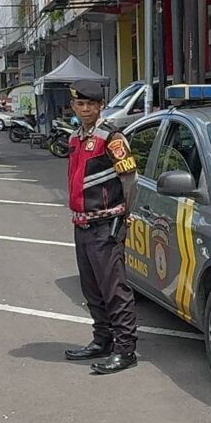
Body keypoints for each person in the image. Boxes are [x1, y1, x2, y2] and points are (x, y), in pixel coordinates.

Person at [63, 79, 140, 375]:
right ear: (73, 106)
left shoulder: (112, 138)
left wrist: (125, 214)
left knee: (114, 289)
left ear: (100, 106)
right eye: (80, 104)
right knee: (91, 288)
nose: (85, 109)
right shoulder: (75, 138)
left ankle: (125, 350)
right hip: (82, 224)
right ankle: (102, 340)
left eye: (90, 105)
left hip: (107, 223)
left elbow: (129, 179)